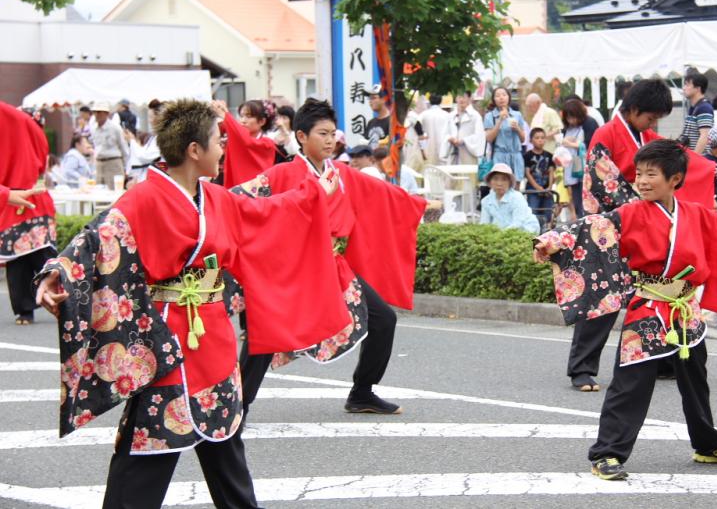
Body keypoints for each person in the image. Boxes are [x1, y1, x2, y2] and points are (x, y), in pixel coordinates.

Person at [35, 99, 348, 509]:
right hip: (166, 344)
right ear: (194, 150)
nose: (224, 149)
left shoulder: (216, 198)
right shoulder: (144, 199)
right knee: (144, 462)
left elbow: (267, 213)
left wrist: (311, 195)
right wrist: (57, 274)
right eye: (219, 141)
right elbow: (98, 240)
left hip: (213, 338)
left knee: (227, 458)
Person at [534, 139, 717, 481]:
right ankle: (607, 452)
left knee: (696, 380)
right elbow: (590, 229)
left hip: (685, 310)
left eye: (651, 173)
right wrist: (551, 242)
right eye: (639, 173)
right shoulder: (630, 213)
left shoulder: (695, 214)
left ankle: (708, 444)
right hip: (649, 307)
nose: (642, 181)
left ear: (675, 179)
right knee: (631, 383)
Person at [233, 98, 428, 419]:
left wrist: (417, 203)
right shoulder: (281, 175)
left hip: (333, 267)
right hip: (294, 270)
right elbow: (240, 202)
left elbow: (380, 194)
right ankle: (237, 406)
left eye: (332, 134)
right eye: (321, 133)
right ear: (300, 137)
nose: (329, 140)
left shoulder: (339, 172)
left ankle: (362, 392)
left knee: (383, 319)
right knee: (264, 336)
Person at [574, 79, 716, 393]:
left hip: (644, 224)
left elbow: (678, 163)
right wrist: (637, 210)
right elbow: (602, 185)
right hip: (615, 226)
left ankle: (665, 358)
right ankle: (582, 368)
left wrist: (709, 174)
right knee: (603, 295)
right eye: (650, 118)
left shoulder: (645, 136)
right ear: (634, 109)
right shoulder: (606, 134)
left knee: (658, 293)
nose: (653, 125)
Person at [0, 102, 57, 325]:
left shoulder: (12, 123)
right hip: (34, 195)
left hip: (12, 196)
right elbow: (42, 163)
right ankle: (65, 299)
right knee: (45, 256)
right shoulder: (34, 129)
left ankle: (25, 311)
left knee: (18, 260)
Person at [219, 99, 278, 187]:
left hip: (256, 194)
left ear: (262, 121)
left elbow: (247, 141)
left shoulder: (267, 144)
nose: (243, 120)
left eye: (248, 116)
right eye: (241, 116)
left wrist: (226, 115)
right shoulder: (237, 138)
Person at [480, 163, 539, 234]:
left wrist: (499, 235)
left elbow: (518, 223)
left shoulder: (517, 197)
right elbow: (484, 224)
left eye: (504, 179)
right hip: (499, 234)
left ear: (509, 183)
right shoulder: (486, 201)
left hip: (524, 230)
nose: (499, 183)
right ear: (490, 182)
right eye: (495, 179)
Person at [484, 87, 526, 181]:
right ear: (494, 100)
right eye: (497, 96)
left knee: (516, 185)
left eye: (504, 95)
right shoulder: (490, 116)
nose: (501, 98)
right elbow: (489, 138)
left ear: (509, 97)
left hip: (516, 155)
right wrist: (500, 121)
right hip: (500, 156)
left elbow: (523, 139)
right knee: (500, 185)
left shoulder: (517, 115)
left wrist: (518, 129)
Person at [561, 99, 592, 220]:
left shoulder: (584, 128)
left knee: (582, 190)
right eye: (569, 118)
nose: (571, 120)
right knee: (574, 192)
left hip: (579, 163)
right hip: (569, 164)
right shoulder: (568, 130)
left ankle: (582, 216)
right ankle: (578, 216)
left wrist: (571, 144)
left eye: (573, 117)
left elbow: (584, 146)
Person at [90, 101, 129, 187]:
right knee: (99, 192)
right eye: (95, 112)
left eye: (99, 112)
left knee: (114, 192)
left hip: (113, 163)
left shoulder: (115, 128)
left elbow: (124, 149)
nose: (96, 114)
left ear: (106, 113)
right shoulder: (93, 129)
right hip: (99, 164)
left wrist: (127, 168)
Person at [441, 92, 485, 165]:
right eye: (459, 97)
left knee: (467, 174)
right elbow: (445, 133)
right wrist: (449, 138)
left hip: (468, 154)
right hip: (452, 153)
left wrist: (464, 140)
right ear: (456, 99)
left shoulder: (475, 116)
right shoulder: (451, 116)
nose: (461, 100)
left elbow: (479, 136)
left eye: (464, 97)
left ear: (469, 98)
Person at [125, 99, 163, 183]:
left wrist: (132, 141)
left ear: (159, 118)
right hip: (146, 178)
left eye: (150, 117)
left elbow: (144, 156)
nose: (149, 121)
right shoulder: (155, 137)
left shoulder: (162, 138)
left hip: (155, 180)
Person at [523, 127, 555, 226]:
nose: (540, 140)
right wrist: (537, 187)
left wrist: (549, 187)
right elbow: (527, 173)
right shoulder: (527, 155)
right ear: (531, 140)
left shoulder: (549, 155)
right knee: (533, 212)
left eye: (542, 137)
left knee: (548, 213)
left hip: (546, 190)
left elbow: (551, 172)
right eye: (537, 138)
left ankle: (546, 231)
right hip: (533, 189)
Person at [678, 72, 714, 156]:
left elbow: (704, 136)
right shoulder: (694, 107)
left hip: (700, 159)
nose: (684, 88)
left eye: (687, 85)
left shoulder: (704, 108)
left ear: (698, 88)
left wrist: (695, 157)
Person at [420, 94, 451, 165]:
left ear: (430, 101)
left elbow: (419, 132)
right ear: (441, 101)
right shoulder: (447, 115)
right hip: (443, 149)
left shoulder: (423, 115)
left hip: (427, 149)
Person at [365, 83, 391, 152]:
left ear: (384, 99)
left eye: (373, 98)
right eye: (369, 98)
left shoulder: (391, 121)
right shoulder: (371, 122)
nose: (370, 102)